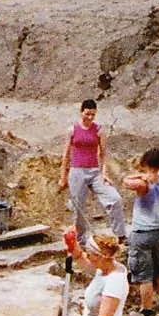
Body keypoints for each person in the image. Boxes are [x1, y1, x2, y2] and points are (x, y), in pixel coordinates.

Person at [123, 148, 159, 316]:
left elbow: (125, 182)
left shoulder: (142, 184)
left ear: (145, 164)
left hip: (142, 233)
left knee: (144, 274)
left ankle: (146, 310)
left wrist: (140, 176)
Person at [58, 99, 125, 242]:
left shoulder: (99, 130)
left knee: (115, 199)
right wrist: (63, 177)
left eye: (93, 115)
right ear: (81, 112)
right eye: (87, 114)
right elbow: (66, 155)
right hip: (77, 171)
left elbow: (104, 153)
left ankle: (120, 235)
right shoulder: (72, 130)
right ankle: (80, 240)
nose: (90, 117)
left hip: (94, 171)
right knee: (79, 208)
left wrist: (104, 172)